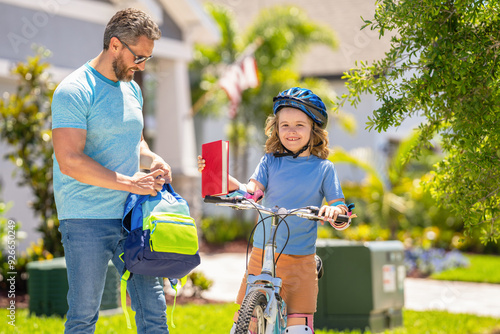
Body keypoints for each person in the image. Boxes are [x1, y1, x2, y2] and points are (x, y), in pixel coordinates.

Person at [52, 8, 171, 333]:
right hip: (85, 218)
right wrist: (130, 183)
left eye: (148, 58)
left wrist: (153, 159)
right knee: (85, 314)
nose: (142, 66)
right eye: (139, 56)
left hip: (132, 216)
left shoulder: (131, 88)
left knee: (153, 308)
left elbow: (137, 143)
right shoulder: (74, 90)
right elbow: (70, 160)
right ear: (115, 45)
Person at [198, 87, 349, 333]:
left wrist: (334, 213)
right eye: (284, 125)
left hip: (300, 258)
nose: (291, 131)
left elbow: (339, 207)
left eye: (299, 125)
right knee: (246, 325)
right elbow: (251, 192)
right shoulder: (269, 161)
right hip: (261, 252)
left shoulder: (324, 169)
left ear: (314, 129)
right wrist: (218, 174)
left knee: (298, 327)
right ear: (276, 128)